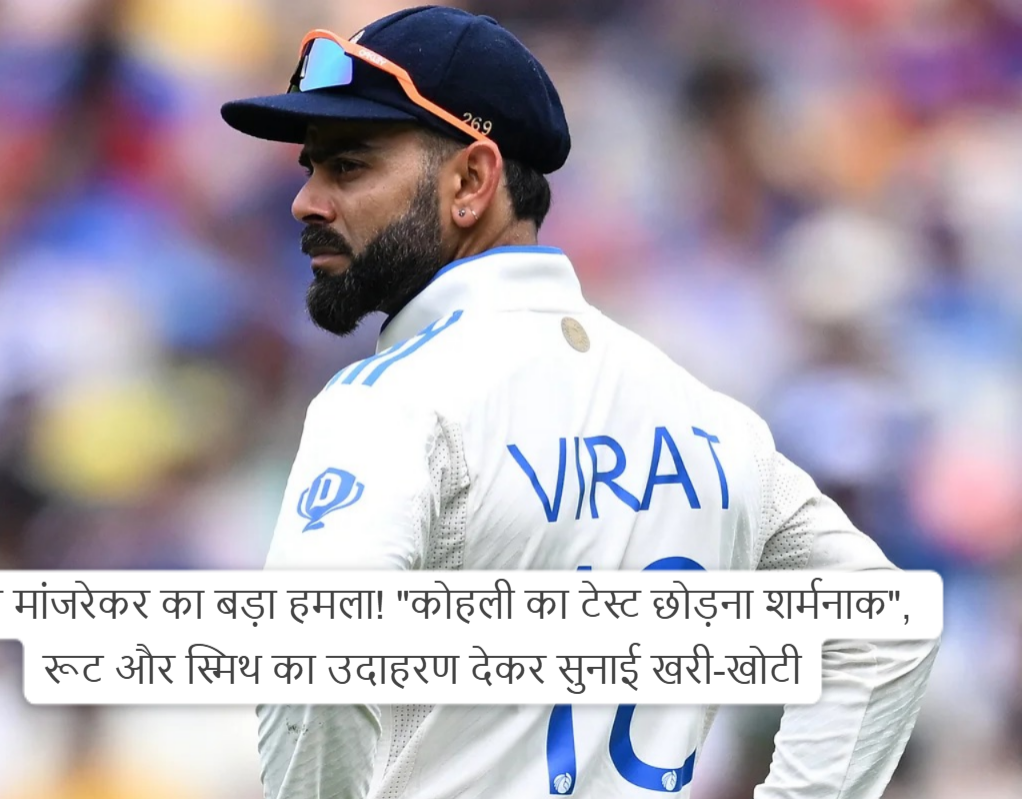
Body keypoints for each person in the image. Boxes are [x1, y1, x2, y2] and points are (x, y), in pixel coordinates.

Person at [220, 6, 939, 799]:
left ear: (471, 181)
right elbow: (884, 626)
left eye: (348, 166)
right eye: (311, 169)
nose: (307, 201)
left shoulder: (391, 405)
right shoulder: (706, 417)